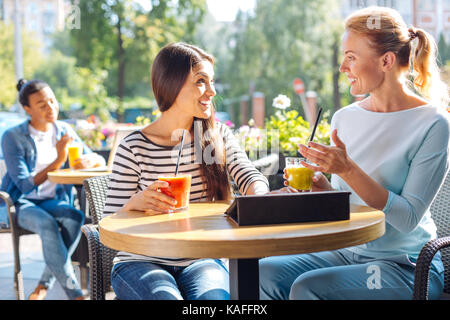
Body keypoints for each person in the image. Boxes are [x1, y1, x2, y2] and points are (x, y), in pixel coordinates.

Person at [260, 6, 449, 300]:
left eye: (351, 57)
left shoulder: (433, 123)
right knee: (263, 272)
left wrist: (347, 169)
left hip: (405, 266)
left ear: (386, 61)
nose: (342, 67)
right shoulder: (344, 119)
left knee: (306, 288)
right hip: (346, 254)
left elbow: (407, 218)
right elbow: (348, 204)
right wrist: (321, 187)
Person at [102, 42, 270, 300]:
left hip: (200, 259)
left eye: (212, 81)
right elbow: (106, 225)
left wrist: (258, 196)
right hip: (139, 260)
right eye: (201, 81)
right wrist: (135, 202)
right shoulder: (134, 145)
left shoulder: (217, 136)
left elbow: (249, 175)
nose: (212, 91)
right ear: (171, 83)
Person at [1, 79, 105, 300]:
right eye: (42, 104)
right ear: (27, 109)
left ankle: (42, 286)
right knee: (47, 224)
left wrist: (92, 160)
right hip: (21, 202)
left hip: (53, 200)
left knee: (75, 217)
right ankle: (76, 295)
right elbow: (24, 184)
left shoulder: (64, 130)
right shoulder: (12, 137)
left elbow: (92, 155)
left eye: (52, 100)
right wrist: (59, 159)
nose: (51, 108)